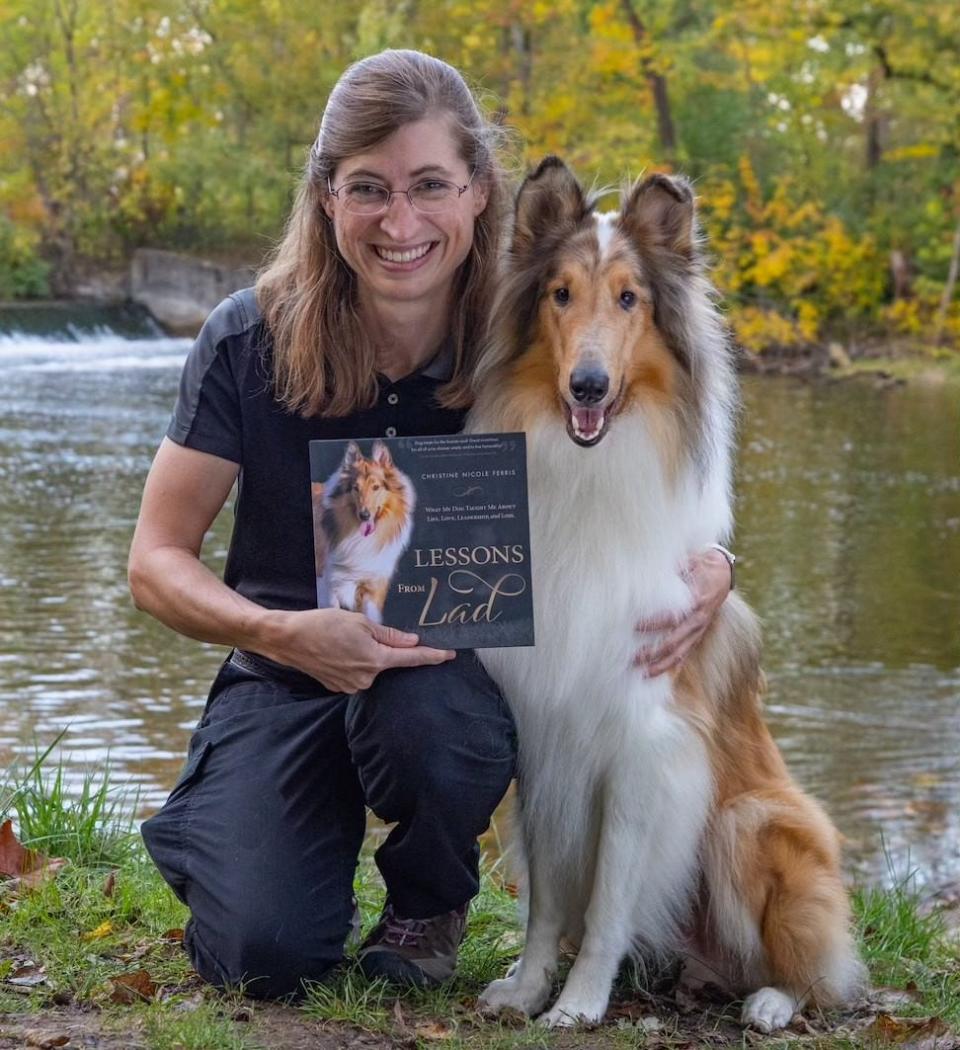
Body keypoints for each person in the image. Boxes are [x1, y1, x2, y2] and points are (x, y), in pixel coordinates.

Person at [129, 49, 734, 1001]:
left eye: (429, 187)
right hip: (283, 671)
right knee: (267, 955)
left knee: (449, 719)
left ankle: (427, 903)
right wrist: (281, 631)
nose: (400, 223)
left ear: (477, 191)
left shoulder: (523, 332)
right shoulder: (248, 337)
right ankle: (220, 820)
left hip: (434, 687)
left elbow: (639, 475)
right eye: (368, 188)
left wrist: (712, 566)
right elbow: (155, 561)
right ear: (326, 195)